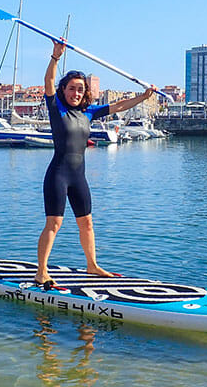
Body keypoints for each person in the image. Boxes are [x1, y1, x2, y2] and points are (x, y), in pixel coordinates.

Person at [35, 40, 156, 290]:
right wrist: (55, 58)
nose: (76, 93)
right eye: (71, 89)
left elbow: (120, 106)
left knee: (87, 222)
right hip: (58, 174)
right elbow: (47, 83)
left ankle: (92, 265)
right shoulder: (56, 108)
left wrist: (143, 96)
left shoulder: (88, 113)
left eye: (80, 89)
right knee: (54, 223)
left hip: (79, 176)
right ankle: (41, 271)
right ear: (64, 90)